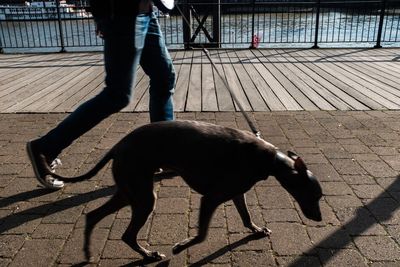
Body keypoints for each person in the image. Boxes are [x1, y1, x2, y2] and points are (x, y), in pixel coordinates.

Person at [27, 0, 176, 190]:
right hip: (123, 16)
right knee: (117, 95)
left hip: (146, 12)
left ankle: (165, 152)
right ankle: (44, 148)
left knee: (164, 76)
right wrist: (102, 16)